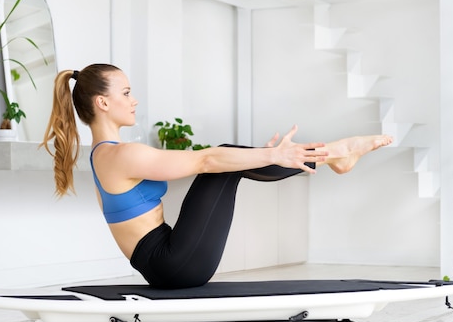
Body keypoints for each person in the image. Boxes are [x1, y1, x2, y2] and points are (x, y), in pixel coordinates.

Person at [42, 63, 393, 289]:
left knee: (225, 163)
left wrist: (258, 157)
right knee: (218, 166)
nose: (134, 100)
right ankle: (334, 154)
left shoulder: (105, 153)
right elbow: (206, 161)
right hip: (172, 264)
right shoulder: (120, 154)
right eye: (126, 93)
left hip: (166, 260)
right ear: (103, 103)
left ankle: (334, 156)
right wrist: (269, 155)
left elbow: (208, 160)